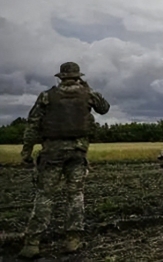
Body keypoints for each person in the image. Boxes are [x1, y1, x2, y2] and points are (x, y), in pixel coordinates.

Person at [19, 62, 110, 259]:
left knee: (44, 196)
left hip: (51, 152)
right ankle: (72, 240)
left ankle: (32, 243)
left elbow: (32, 125)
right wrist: (88, 88)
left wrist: (26, 152)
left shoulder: (46, 96)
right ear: (78, 77)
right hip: (77, 152)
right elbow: (104, 108)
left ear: (60, 77)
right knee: (75, 195)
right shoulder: (88, 94)